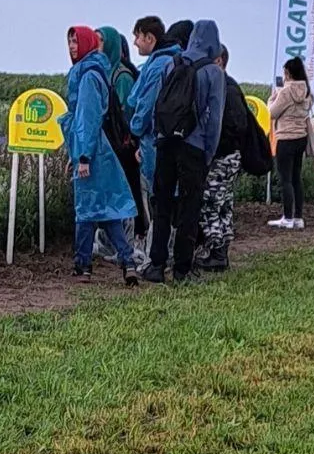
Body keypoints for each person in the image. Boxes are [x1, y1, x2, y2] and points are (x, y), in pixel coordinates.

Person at [143, 20, 226, 285]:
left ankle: (156, 264)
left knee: (163, 203)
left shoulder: (171, 64)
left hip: (166, 141)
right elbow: (215, 119)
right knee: (190, 207)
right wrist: (208, 153)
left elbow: (159, 104)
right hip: (194, 146)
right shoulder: (214, 72)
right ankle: (182, 269)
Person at [59, 26, 138, 286]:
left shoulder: (88, 76)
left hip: (92, 151)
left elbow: (87, 118)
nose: (71, 46)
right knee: (107, 210)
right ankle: (128, 262)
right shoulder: (94, 71)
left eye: (76, 41)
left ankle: (83, 266)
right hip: (97, 150)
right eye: (69, 41)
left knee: (86, 211)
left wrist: (83, 156)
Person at [128, 16, 182, 259]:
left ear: (150, 37)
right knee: (172, 199)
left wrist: (135, 130)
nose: (135, 42)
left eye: (137, 36)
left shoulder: (158, 65)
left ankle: (157, 254)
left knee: (158, 200)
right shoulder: (176, 59)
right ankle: (169, 250)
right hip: (174, 140)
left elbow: (144, 103)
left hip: (155, 142)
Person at [95, 26, 148, 255]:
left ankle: (132, 237)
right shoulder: (104, 71)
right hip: (112, 143)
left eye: (100, 41)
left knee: (128, 190)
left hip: (123, 145)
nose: (96, 46)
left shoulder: (122, 75)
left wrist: (129, 138)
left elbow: (128, 112)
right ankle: (113, 240)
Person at [196, 44, 249, 273]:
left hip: (222, 156)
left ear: (218, 61)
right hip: (232, 156)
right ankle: (221, 249)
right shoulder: (232, 86)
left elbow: (232, 125)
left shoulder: (224, 89)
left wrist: (212, 147)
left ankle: (215, 251)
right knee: (224, 203)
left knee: (210, 203)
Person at [268, 56, 313, 229]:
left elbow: (272, 112)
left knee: (285, 178)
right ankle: (298, 218)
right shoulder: (307, 92)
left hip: (286, 138)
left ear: (287, 73)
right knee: (296, 177)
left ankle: (287, 217)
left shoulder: (286, 92)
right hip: (301, 137)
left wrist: (274, 97)